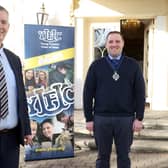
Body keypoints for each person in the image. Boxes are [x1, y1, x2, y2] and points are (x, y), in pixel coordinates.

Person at [83, 31, 145, 168]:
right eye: (111, 42)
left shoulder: (133, 65)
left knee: (124, 156)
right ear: (106, 44)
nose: (114, 44)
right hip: (101, 118)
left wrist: (139, 118)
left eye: (117, 41)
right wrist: (88, 118)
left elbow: (140, 93)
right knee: (102, 157)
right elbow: (88, 93)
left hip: (125, 119)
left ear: (123, 44)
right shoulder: (96, 66)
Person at [0, 5, 32, 168]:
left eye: (3, 22)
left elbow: (21, 97)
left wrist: (26, 129)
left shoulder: (13, 59)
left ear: (8, 26)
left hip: (11, 139)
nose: (0, 26)